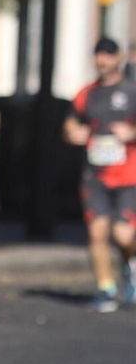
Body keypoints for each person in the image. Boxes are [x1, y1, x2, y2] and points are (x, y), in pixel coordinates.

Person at [64, 36, 136, 312]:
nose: (102, 60)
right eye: (98, 55)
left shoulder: (131, 92)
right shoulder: (87, 94)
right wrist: (72, 132)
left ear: (117, 58)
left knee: (124, 237)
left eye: (107, 55)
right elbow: (70, 123)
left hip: (128, 176)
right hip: (95, 177)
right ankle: (106, 289)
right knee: (97, 233)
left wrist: (131, 134)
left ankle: (129, 266)